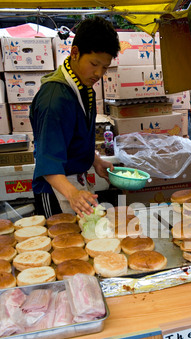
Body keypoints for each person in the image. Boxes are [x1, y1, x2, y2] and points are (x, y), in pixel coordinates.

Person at [30, 17, 120, 218]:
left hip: (75, 183)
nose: (98, 73)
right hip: (55, 189)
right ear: (75, 53)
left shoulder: (83, 87)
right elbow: (47, 158)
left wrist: (95, 160)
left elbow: (75, 137)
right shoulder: (54, 98)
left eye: (105, 67)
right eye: (94, 64)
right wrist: (72, 193)